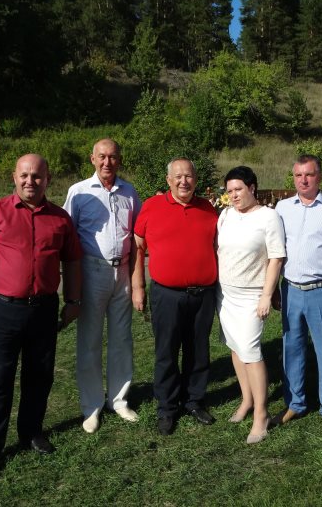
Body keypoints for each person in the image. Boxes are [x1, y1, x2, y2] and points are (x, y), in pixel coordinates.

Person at [0, 154, 82, 481]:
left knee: (39, 376)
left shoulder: (60, 219)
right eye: (25, 175)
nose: (31, 181)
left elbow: (71, 261)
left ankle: (31, 432)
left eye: (37, 176)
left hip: (42, 309)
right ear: (14, 177)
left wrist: (72, 300)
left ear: (48, 178)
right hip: (4, 309)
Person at [132, 158, 219, 436]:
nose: (184, 181)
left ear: (196, 179)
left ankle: (194, 401)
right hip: (166, 294)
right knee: (166, 352)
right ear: (168, 180)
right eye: (178, 177)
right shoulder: (152, 206)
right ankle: (167, 407)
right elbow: (137, 248)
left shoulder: (208, 209)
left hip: (202, 294)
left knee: (198, 350)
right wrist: (138, 287)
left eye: (189, 176)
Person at [63, 138, 142, 433]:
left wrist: (137, 285)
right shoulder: (79, 192)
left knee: (122, 339)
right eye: (102, 157)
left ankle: (119, 400)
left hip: (121, 271)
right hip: (91, 270)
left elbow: (137, 240)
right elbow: (68, 240)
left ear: (119, 159)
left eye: (112, 157)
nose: (107, 162)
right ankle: (91, 406)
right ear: (92, 159)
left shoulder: (129, 192)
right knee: (90, 340)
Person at [273, 154, 322, 440]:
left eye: (309, 174)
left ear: (319, 176)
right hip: (290, 289)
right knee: (291, 349)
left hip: (321, 290)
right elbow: (276, 249)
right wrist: (273, 289)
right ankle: (295, 403)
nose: (303, 180)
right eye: (298, 175)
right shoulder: (282, 208)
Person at [217, 166, 285, 444]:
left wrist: (267, 295)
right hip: (225, 294)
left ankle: (261, 413)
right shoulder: (225, 215)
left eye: (239, 190)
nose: (234, 195)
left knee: (251, 351)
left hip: (251, 295)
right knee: (235, 346)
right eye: (230, 191)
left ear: (252, 188)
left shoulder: (269, 217)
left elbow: (276, 257)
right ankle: (246, 400)